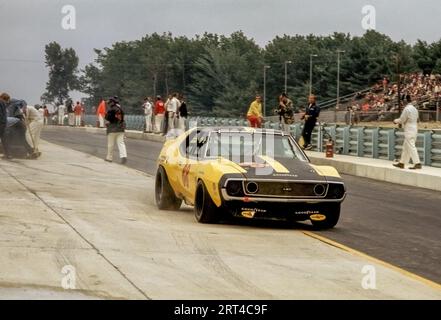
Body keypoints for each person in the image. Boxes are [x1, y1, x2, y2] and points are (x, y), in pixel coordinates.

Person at [393, 95, 422, 169]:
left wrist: (395, 121)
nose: (402, 103)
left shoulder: (406, 109)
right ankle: (402, 163)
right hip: (414, 128)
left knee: (411, 146)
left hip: (409, 129)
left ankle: (417, 163)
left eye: (402, 101)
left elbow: (402, 120)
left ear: (405, 101)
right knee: (406, 147)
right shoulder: (415, 109)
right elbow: (417, 119)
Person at [105, 97, 127, 164]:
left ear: (111, 103)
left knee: (110, 144)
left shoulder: (111, 109)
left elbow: (107, 118)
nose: (108, 104)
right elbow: (122, 119)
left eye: (109, 103)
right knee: (121, 143)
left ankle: (109, 158)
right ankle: (124, 156)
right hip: (121, 129)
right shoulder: (120, 109)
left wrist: (108, 122)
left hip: (112, 129)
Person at [0, 93, 11, 159]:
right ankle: (8, 155)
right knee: (4, 139)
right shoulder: (4, 103)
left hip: (0, 122)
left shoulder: (0, 102)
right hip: (4, 123)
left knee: (4, 139)